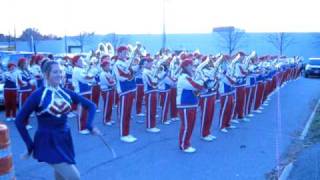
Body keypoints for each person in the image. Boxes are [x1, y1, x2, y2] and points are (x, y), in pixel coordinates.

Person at [15, 60, 99, 180]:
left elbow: (91, 106)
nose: (59, 75)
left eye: (60, 71)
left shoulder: (66, 92)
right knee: (74, 177)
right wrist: (30, 145)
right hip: (48, 141)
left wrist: (89, 125)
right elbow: (19, 121)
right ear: (46, 74)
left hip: (64, 139)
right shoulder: (38, 95)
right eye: (55, 72)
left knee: (61, 177)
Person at [176, 58, 204, 153]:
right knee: (186, 125)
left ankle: (187, 143)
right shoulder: (183, 77)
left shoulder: (189, 77)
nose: (193, 67)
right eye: (191, 65)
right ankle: (183, 145)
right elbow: (198, 86)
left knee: (191, 125)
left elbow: (198, 90)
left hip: (191, 103)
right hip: (184, 104)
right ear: (186, 66)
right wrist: (201, 80)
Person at [113, 46, 137, 143]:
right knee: (124, 114)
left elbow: (131, 72)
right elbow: (121, 77)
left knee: (128, 113)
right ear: (118, 53)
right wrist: (130, 72)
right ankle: (123, 134)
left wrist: (136, 67)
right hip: (124, 91)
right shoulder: (117, 64)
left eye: (126, 52)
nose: (125, 54)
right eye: (123, 52)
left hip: (130, 90)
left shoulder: (125, 63)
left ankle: (127, 133)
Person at [72, 55, 95, 134]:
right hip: (81, 92)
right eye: (80, 61)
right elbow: (85, 79)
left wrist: (90, 76)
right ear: (75, 63)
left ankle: (85, 126)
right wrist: (91, 76)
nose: (82, 62)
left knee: (85, 110)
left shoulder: (80, 69)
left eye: (82, 60)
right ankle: (81, 128)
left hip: (86, 91)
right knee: (81, 110)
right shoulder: (76, 70)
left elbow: (89, 78)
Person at [141, 57, 160, 133]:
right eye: (150, 63)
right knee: (150, 110)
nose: (152, 64)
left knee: (153, 109)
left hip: (153, 91)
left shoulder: (150, 70)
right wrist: (157, 78)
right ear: (147, 63)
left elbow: (156, 80)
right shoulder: (146, 72)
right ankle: (149, 126)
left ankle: (153, 125)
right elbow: (152, 83)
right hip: (149, 92)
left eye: (152, 63)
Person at [17, 57, 34, 130]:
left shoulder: (28, 71)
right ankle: (23, 123)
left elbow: (32, 79)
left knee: (28, 108)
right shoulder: (18, 72)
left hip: (29, 91)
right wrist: (28, 82)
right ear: (21, 64)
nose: (26, 65)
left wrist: (31, 81)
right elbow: (20, 82)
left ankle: (26, 123)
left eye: (27, 63)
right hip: (23, 92)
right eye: (25, 63)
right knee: (23, 108)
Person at [100, 56, 116, 125]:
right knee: (107, 106)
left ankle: (109, 119)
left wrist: (113, 82)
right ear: (103, 67)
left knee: (110, 106)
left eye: (109, 65)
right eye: (107, 66)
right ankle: (105, 120)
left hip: (110, 90)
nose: (109, 67)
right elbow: (109, 83)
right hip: (106, 91)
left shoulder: (108, 73)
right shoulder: (103, 74)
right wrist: (113, 82)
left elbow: (113, 80)